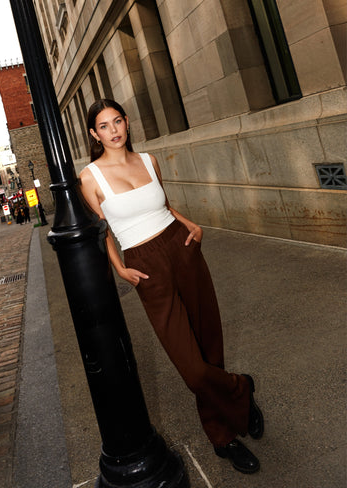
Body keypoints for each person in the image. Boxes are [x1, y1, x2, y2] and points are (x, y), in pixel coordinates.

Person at [79, 99, 265, 474]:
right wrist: (119, 269)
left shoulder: (148, 161)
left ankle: (222, 437)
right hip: (144, 264)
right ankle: (239, 389)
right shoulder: (90, 177)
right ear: (93, 134)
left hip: (181, 245)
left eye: (118, 121)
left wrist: (190, 223)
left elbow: (162, 204)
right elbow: (104, 232)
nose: (114, 130)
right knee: (192, 366)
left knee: (209, 343)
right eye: (104, 126)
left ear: (127, 123)